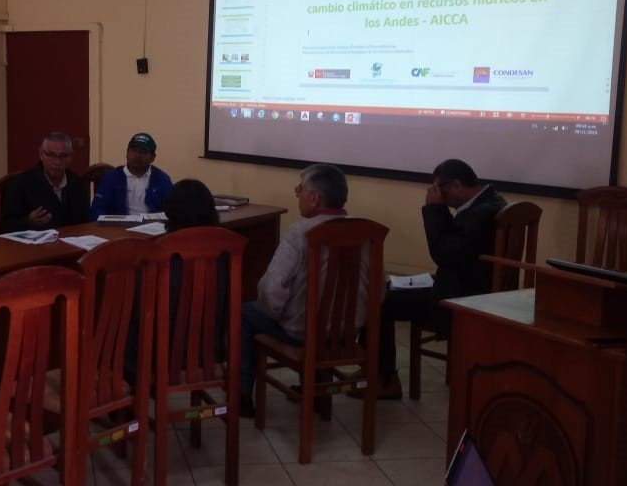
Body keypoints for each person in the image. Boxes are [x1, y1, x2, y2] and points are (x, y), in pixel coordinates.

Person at [363, 158, 506, 400]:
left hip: (460, 298)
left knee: (380, 299)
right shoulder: (493, 201)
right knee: (388, 289)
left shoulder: (478, 215)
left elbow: (443, 254)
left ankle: (384, 379)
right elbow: (456, 245)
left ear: (457, 185)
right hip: (475, 286)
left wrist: (435, 209)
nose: (435, 193)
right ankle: (374, 370)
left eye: (439, 188)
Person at [239, 164, 359, 417]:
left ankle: (242, 396)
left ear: (314, 198)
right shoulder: (365, 232)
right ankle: (315, 392)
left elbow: (271, 289)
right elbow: (378, 291)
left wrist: (277, 316)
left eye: (300, 189)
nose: (297, 194)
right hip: (345, 333)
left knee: (245, 313)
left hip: (301, 332)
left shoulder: (300, 233)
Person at [123, 178, 222, 382]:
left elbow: (139, 311)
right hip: (210, 350)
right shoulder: (226, 251)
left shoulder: (160, 256)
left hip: (162, 356)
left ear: (170, 213)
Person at [0, 132, 91, 233]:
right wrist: (28, 221)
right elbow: (5, 228)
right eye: (51, 155)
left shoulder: (78, 184)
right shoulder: (19, 184)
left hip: (71, 239)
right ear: (41, 154)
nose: (57, 162)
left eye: (63, 156)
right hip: (35, 242)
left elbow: (85, 222)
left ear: (71, 157)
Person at [91, 132, 173, 218]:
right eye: (134, 150)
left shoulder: (162, 179)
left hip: (152, 224)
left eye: (143, 152)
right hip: (118, 225)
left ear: (152, 157)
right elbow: (97, 210)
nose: (137, 155)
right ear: (127, 153)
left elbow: (171, 210)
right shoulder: (112, 177)